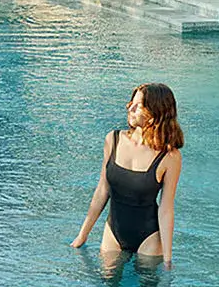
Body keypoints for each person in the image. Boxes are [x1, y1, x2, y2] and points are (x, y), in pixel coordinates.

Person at [70, 82, 184, 275]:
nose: (129, 107)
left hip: (149, 237)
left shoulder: (169, 157)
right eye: (132, 101)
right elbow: (101, 191)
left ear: (155, 113)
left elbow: (166, 209)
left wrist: (167, 259)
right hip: (113, 233)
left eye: (138, 105)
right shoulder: (113, 140)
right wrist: (82, 236)